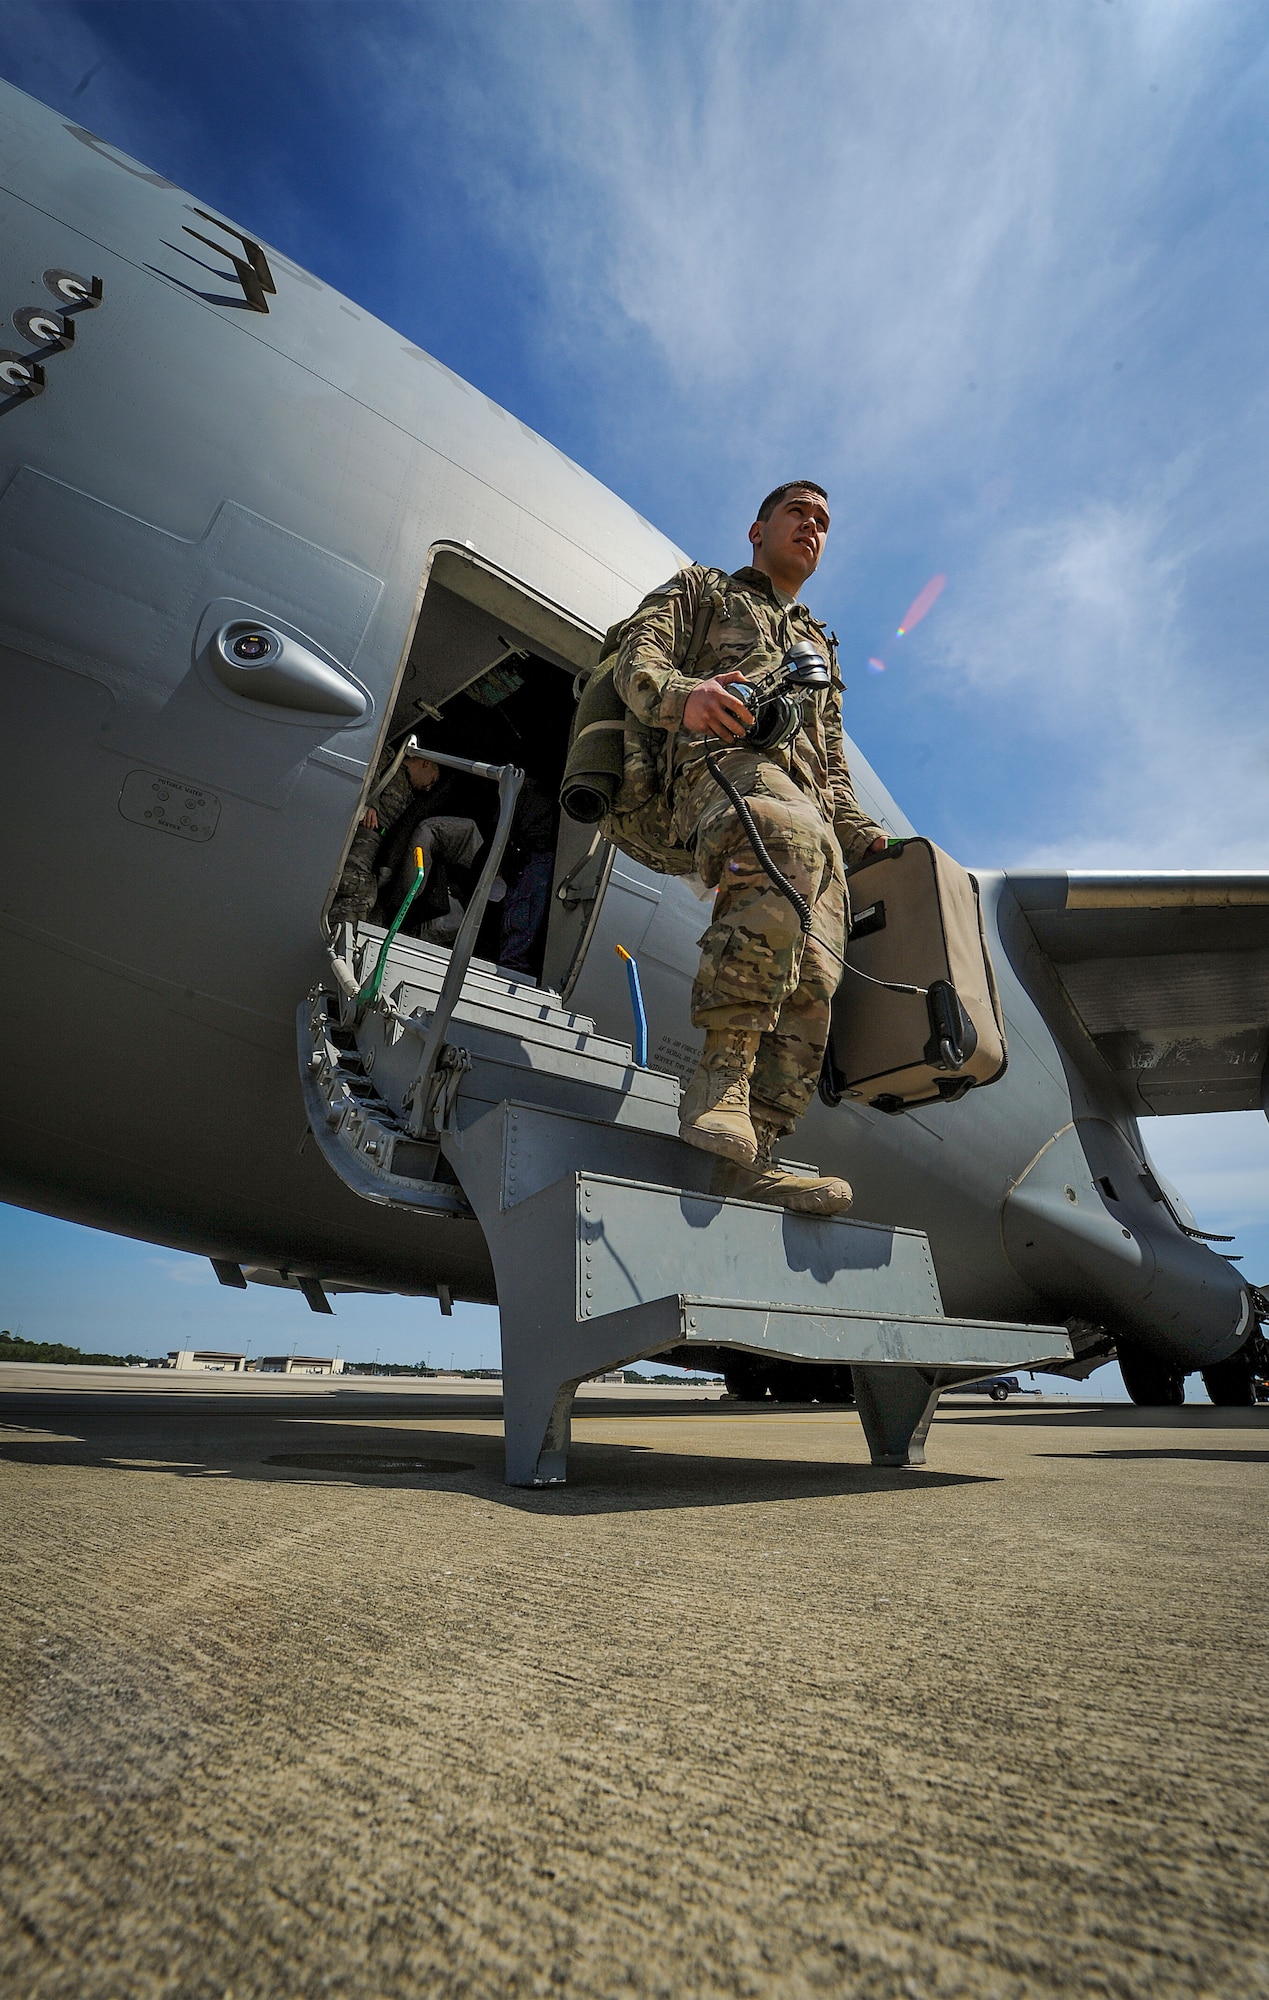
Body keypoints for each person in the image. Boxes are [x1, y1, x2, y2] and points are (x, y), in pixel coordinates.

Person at [612, 482, 887, 1215]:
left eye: (824, 521)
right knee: (784, 836)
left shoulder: (817, 645)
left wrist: (858, 829)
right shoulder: (703, 590)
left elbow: (830, 756)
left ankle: (755, 1151)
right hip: (712, 764)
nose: (812, 526)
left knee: (820, 958)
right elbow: (636, 657)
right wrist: (683, 698)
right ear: (757, 528)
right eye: (798, 512)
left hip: (802, 798)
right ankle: (719, 1079)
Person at [330, 749, 483, 939]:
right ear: (426, 763)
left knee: (368, 895)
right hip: (365, 833)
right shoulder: (391, 759)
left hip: (378, 847)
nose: (429, 787)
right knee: (357, 887)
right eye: (432, 780)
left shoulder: (412, 796)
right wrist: (369, 804)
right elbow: (370, 771)